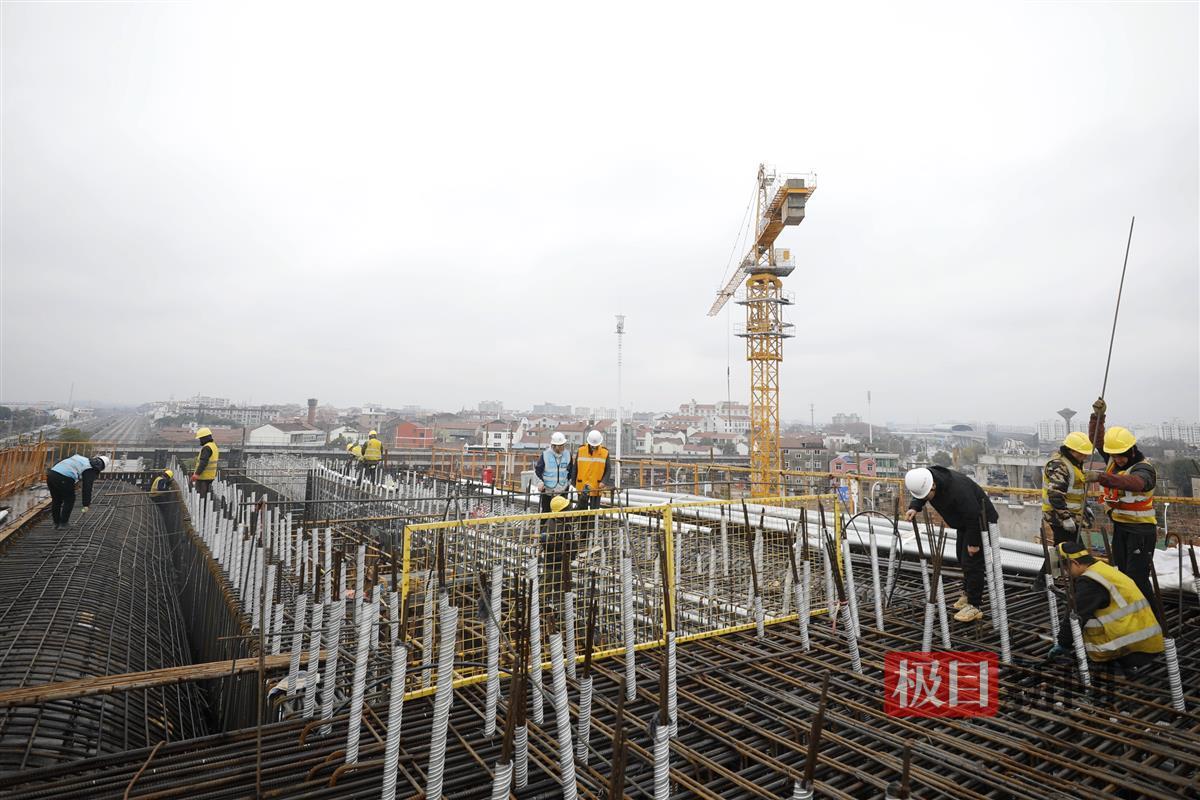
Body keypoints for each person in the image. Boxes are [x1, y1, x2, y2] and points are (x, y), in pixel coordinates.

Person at [1086, 397, 1158, 612]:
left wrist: (1102, 478)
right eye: (1114, 456)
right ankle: (1131, 615)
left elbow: (1137, 483)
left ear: (1131, 451)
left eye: (1121, 457)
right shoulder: (1114, 458)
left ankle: (1153, 620)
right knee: (1122, 574)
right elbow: (1097, 440)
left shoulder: (1144, 469)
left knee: (1138, 578)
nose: (1117, 460)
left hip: (1141, 531)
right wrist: (1096, 417)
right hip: (1121, 528)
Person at [1047, 541, 1163, 673]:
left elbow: (1075, 614)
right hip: (1148, 642)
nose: (1067, 573)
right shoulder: (1102, 568)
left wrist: (1063, 644)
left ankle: (1115, 665)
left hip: (1131, 649)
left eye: (1067, 569)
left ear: (1075, 563)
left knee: (1083, 619)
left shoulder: (1090, 580)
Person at [904, 465, 998, 622]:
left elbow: (974, 515)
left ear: (933, 485)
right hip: (963, 523)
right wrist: (915, 506)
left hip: (980, 523)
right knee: (961, 558)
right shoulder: (925, 478)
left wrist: (974, 543)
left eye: (927, 495)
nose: (927, 498)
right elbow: (921, 493)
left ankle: (974, 605)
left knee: (972, 562)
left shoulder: (958, 490)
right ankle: (967, 594)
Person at [1035, 431, 1095, 589]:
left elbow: (1073, 492)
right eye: (1082, 453)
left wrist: (1085, 507)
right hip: (1060, 518)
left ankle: (1042, 584)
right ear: (1072, 450)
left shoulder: (1073, 464)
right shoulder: (1060, 465)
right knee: (1076, 551)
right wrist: (1066, 517)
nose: (1085, 457)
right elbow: (1055, 495)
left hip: (1070, 516)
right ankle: (1076, 585)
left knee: (1061, 550)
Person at [46, 453, 109, 530]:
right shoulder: (90, 468)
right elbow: (87, 487)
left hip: (51, 474)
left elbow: (63, 462)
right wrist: (86, 504)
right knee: (69, 499)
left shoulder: (81, 458)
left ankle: (56, 523)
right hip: (64, 477)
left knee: (56, 500)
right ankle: (63, 524)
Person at [535, 431, 575, 513]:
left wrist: (569, 483)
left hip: (562, 490)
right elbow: (538, 471)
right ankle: (544, 526)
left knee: (561, 514)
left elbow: (571, 470)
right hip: (548, 491)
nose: (562, 447)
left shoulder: (567, 455)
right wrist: (540, 482)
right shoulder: (545, 455)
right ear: (553, 445)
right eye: (559, 446)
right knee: (546, 513)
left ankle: (560, 526)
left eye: (563, 445)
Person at [573, 429, 610, 509]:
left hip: (597, 486)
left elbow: (608, 470)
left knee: (594, 510)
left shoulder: (604, 452)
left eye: (595, 445)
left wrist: (604, 482)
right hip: (581, 485)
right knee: (581, 510)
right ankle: (583, 521)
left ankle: (593, 522)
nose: (594, 447)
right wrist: (573, 483)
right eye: (592, 445)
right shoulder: (581, 450)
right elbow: (575, 468)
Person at [191, 427, 219, 497]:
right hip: (210, 477)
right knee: (207, 497)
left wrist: (197, 474)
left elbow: (203, 462)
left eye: (200, 438)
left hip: (203, 478)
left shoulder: (207, 448)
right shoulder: (214, 446)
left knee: (201, 498)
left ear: (204, 438)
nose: (200, 441)